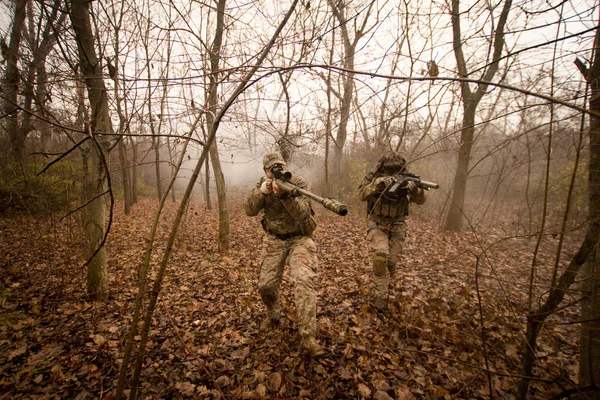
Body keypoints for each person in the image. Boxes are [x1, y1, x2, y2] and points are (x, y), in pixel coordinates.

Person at [243, 151, 325, 357]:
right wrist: (262, 191)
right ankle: (273, 313)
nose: (276, 170)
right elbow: (249, 210)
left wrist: (285, 196)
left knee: (303, 279)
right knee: (266, 286)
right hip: (274, 240)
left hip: (300, 239)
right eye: (272, 168)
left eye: (280, 166)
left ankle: (308, 338)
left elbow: (303, 213)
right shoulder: (262, 185)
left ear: (285, 166)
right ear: (265, 171)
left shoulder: (298, 183)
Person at [358, 152, 427, 311]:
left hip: (397, 225)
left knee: (391, 263)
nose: (392, 172)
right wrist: (377, 184)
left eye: (396, 169)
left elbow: (421, 201)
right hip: (377, 223)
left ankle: (387, 281)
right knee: (381, 257)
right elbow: (361, 194)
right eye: (389, 169)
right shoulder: (374, 177)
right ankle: (381, 298)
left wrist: (415, 190)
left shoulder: (407, 178)